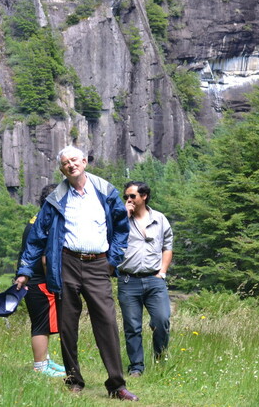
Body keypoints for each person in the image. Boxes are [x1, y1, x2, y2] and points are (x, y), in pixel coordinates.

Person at [16, 146, 139, 402]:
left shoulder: (105, 191)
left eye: (74, 160)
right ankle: (74, 380)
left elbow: (120, 227)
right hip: (66, 263)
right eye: (65, 163)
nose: (71, 165)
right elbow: (37, 236)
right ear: (62, 169)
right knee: (67, 326)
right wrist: (25, 270)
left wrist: (112, 261)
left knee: (106, 322)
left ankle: (117, 385)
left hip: (99, 265)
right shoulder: (55, 199)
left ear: (84, 161)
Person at [116, 181, 173, 378]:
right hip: (127, 280)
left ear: (144, 196)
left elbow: (168, 245)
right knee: (132, 326)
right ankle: (136, 367)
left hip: (154, 280)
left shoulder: (159, 219)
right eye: (126, 197)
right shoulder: (121, 218)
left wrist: (162, 271)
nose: (128, 200)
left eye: (132, 196)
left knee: (162, 320)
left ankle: (160, 358)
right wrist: (124, 216)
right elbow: (110, 237)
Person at [17, 183, 65, 377]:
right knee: (41, 325)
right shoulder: (44, 224)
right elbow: (45, 258)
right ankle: (40, 366)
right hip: (39, 281)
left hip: (33, 280)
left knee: (42, 323)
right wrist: (55, 283)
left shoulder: (35, 219)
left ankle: (45, 360)